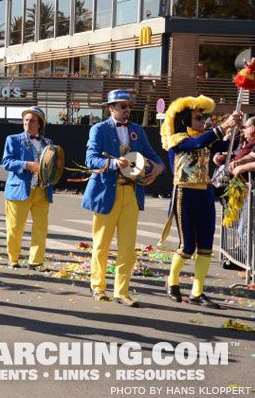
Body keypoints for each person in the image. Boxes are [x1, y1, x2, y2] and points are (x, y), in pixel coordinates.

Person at [82, 90, 164, 307]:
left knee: (128, 246)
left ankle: (122, 291)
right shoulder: (99, 129)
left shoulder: (137, 130)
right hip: (106, 191)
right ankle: (98, 287)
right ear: (111, 108)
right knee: (101, 244)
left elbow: (151, 153)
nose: (127, 109)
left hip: (132, 193)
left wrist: (159, 166)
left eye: (128, 106)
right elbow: (90, 159)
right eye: (122, 106)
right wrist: (111, 163)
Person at [161, 96, 241, 309]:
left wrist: (236, 128)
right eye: (198, 118)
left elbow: (227, 145)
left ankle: (198, 292)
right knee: (187, 246)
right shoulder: (177, 139)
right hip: (184, 195)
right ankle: (172, 282)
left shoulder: (206, 138)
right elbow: (198, 143)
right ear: (186, 120)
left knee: (206, 246)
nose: (203, 121)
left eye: (204, 118)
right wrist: (224, 126)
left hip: (205, 195)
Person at [1, 106, 54, 270]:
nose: (27, 123)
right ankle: (13, 259)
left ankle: (36, 261)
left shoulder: (48, 143)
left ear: (40, 124)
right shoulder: (13, 139)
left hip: (42, 190)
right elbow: (6, 162)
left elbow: (54, 166)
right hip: (19, 189)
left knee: (40, 227)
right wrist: (27, 165)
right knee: (15, 227)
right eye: (25, 120)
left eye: (32, 121)